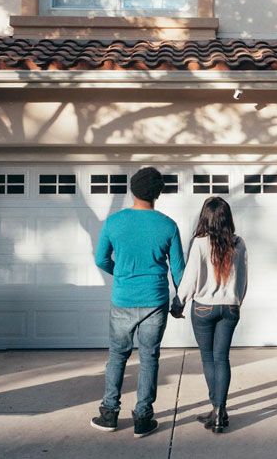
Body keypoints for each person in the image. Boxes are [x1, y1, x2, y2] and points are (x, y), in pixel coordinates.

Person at [91, 166, 185, 438]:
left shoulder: (114, 222)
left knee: (118, 357)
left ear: (132, 190)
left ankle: (109, 414)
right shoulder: (168, 225)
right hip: (155, 301)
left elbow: (100, 260)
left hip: (123, 299)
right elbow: (179, 271)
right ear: (159, 193)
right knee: (149, 357)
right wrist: (180, 300)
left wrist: (120, 273)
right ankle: (143, 418)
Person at [171, 196, 247, 433]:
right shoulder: (239, 242)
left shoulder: (200, 242)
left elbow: (190, 277)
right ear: (227, 218)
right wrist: (236, 302)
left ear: (205, 217)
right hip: (230, 308)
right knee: (222, 358)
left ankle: (216, 410)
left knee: (208, 358)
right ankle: (219, 410)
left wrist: (178, 302)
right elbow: (243, 279)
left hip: (204, 307)